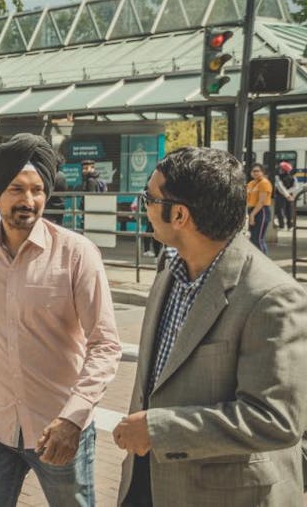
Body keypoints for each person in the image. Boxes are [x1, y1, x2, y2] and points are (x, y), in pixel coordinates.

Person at [114, 146, 307, 506]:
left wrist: (159, 429)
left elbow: (275, 418)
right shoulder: (169, 265)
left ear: (180, 215)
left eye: (150, 198)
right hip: (147, 481)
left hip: (222, 494)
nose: (144, 207)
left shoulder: (271, 295)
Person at [0, 133, 122, 507]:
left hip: (58, 428)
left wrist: (74, 418)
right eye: (16, 189)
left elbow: (105, 345)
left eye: (38, 190)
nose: (29, 201)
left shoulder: (76, 254)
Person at [246, 163, 272, 254]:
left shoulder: (264, 183)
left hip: (262, 211)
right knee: (252, 238)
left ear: (262, 172)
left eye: (257, 171)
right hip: (251, 210)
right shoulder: (250, 184)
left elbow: (261, 201)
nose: (255, 173)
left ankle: (264, 261)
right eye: (253, 171)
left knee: (258, 238)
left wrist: (253, 215)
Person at [273, 161, 297, 229]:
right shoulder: (293, 177)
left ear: (283, 169)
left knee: (280, 211)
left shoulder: (278, 177)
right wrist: (289, 194)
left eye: (280, 168)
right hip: (290, 196)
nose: (279, 169)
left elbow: (280, 187)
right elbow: (296, 187)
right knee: (289, 211)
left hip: (280, 196)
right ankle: (290, 226)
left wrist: (286, 194)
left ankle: (282, 226)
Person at [46, 158, 69, 226]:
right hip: (60, 204)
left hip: (49, 205)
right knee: (59, 225)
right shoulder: (62, 175)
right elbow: (65, 189)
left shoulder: (50, 175)